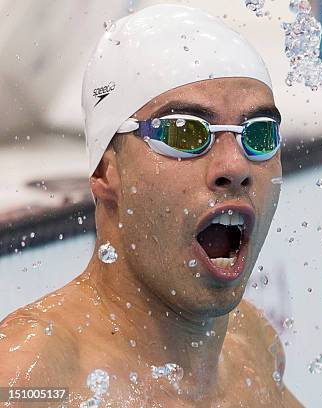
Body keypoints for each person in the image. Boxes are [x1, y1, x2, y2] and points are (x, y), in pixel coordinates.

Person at [0, 4, 302, 407]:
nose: (235, 166)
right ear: (107, 170)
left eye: (259, 134)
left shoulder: (253, 349)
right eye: (184, 132)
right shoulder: (35, 376)